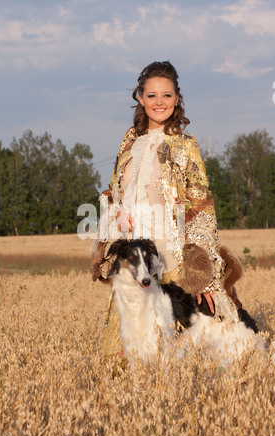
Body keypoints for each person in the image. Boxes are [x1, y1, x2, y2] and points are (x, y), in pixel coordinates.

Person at [91, 61, 243, 360]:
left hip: (170, 254)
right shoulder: (128, 141)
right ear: (140, 98)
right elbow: (115, 194)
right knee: (123, 358)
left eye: (167, 95)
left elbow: (202, 209)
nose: (159, 102)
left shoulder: (186, 146)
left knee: (179, 349)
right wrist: (112, 225)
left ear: (177, 99)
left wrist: (205, 277)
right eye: (151, 95)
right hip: (135, 254)